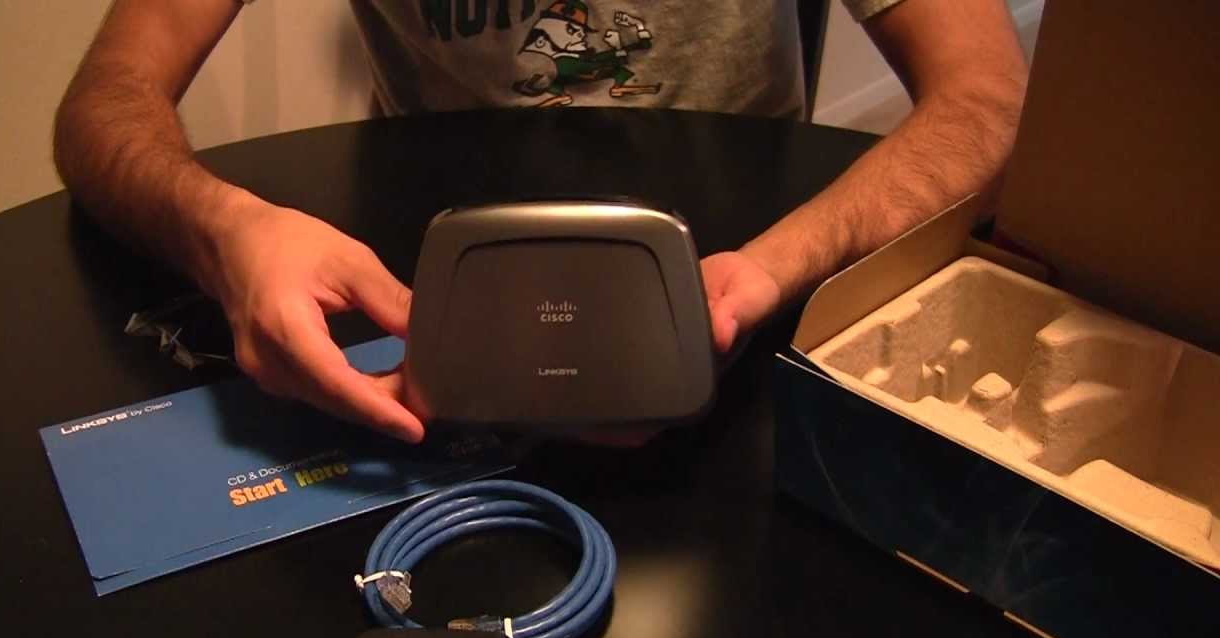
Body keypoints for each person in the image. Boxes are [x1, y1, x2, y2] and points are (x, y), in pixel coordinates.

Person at [53, 0, 1028, 444]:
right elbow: (105, 102)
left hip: (743, 330)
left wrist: (781, 263)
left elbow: (988, 102)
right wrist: (227, 234)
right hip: (424, 339)